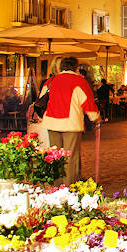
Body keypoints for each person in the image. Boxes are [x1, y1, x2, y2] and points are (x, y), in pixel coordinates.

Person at [39, 56, 101, 185]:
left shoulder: (51, 81)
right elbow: (87, 103)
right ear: (76, 68)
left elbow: (42, 98)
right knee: (70, 157)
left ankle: (56, 185)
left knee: (55, 155)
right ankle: (69, 186)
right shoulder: (79, 81)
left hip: (51, 122)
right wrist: (95, 117)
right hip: (70, 123)